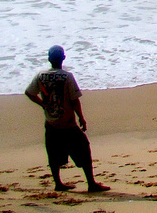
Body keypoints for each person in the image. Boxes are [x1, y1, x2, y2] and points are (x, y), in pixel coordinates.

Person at [25, 45, 109, 192]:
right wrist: (81, 118)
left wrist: (43, 104)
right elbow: (74, 100)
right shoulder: (67, 76)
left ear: (49, 59)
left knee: (53, 154)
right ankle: (91, 183)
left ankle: (58, 183)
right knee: (84, 150)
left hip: (51, 123)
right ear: (63, 58)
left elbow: (29, 93)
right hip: (68, 124)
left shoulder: (41, 75)